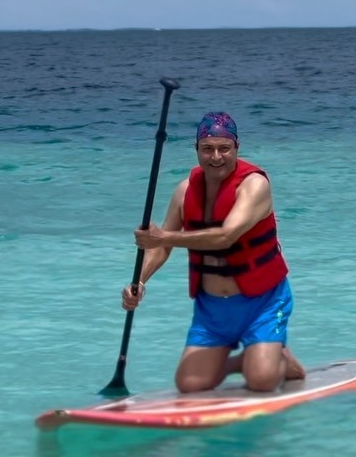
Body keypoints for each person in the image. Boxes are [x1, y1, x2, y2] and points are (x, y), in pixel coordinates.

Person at [121, 111, 305, 393]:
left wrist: (163, 235)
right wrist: (139, 282)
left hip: (262, 303)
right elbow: (161, 249)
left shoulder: (255, 186)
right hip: (212, 309)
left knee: (262, 382)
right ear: (197, 150)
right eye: (207, 149)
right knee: (189, 384)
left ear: (236, 148)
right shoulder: (184, 191)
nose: (216, 157)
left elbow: (226, 235)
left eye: (224, 149)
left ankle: (272, 358)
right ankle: (247, 359)